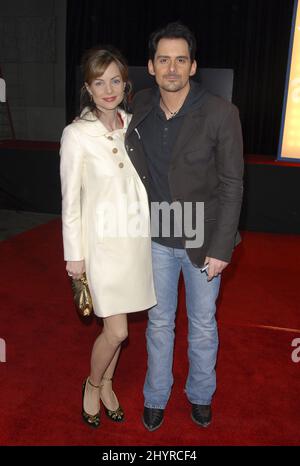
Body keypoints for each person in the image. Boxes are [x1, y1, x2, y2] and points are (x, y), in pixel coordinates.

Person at [125, 22, 244, 431]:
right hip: (155, 236)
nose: (171, 68)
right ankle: (156, 397)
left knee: (202, 324)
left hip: (202, 236)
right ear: (151, 66)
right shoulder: (140, 104)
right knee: (158, 323)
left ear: (193, 66)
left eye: (180, 59)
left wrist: (223, 246)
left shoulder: (220, 113)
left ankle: (200, 395)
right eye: (163, 60)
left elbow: (232, 184)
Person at [60, 45, 156, 428]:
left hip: (135, 244)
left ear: (125, 83)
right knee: (116, 329)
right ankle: (92, 383)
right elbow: (70, 202)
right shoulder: (76, 135)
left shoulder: (135, 124)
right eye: (99, 82)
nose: (108, 89)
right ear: (88, 87)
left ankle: (108, 384)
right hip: (100, 249)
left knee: (117, 330)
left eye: (115, 80)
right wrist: (74, 256)